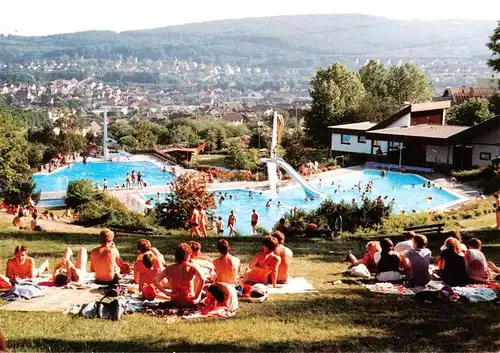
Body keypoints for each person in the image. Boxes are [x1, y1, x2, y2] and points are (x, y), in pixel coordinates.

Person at [153, 243, 205, 307]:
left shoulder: (170, 268)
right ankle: (197, 295)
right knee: (198, 279)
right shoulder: (192, 267)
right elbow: (202, 279)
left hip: (175, 301)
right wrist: (196, 296)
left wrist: (166, 292)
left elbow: (155, 280)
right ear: (187, 255)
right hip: (189, 300)